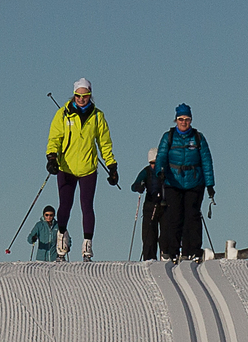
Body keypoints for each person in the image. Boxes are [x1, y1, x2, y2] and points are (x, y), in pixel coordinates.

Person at [46, 78, 118, 262]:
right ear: (74, 95)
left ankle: (87, 246)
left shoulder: (97, 116)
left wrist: (112, 166)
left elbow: (104, 143)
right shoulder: (63, 114)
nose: (81, 99)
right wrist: (52, 157)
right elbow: (55, 137)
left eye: (85, 96)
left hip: (88, 169)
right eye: (78, 95)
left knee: (87, 206)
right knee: (65, 205)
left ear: (89, 96)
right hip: (66, 167)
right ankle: (61, 242)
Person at [154, 103, 215, 262]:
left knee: (192, 216)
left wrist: (210, 184)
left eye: (187, 119)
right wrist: (159, 172)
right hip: (173, 181)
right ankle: (173, 251)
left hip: (194, 182)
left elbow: (207, 161)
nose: (184, 122)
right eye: (181, 119)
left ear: (191, 120)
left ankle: (193, 251)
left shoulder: (198, 138)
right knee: (174, 217)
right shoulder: (168, 137)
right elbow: (161, 156)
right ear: (176, 120)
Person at [130, 147, 164, 260]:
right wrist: (139, 186)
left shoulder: (167, 170)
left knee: (166, 234)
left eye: (155, 162)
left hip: (165, 205)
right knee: (149, 235)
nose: (153, 165)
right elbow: (134, 186)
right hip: (150, 204)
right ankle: (149, 258)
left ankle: (166, 255)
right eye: (151, 163)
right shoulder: (146, 172)